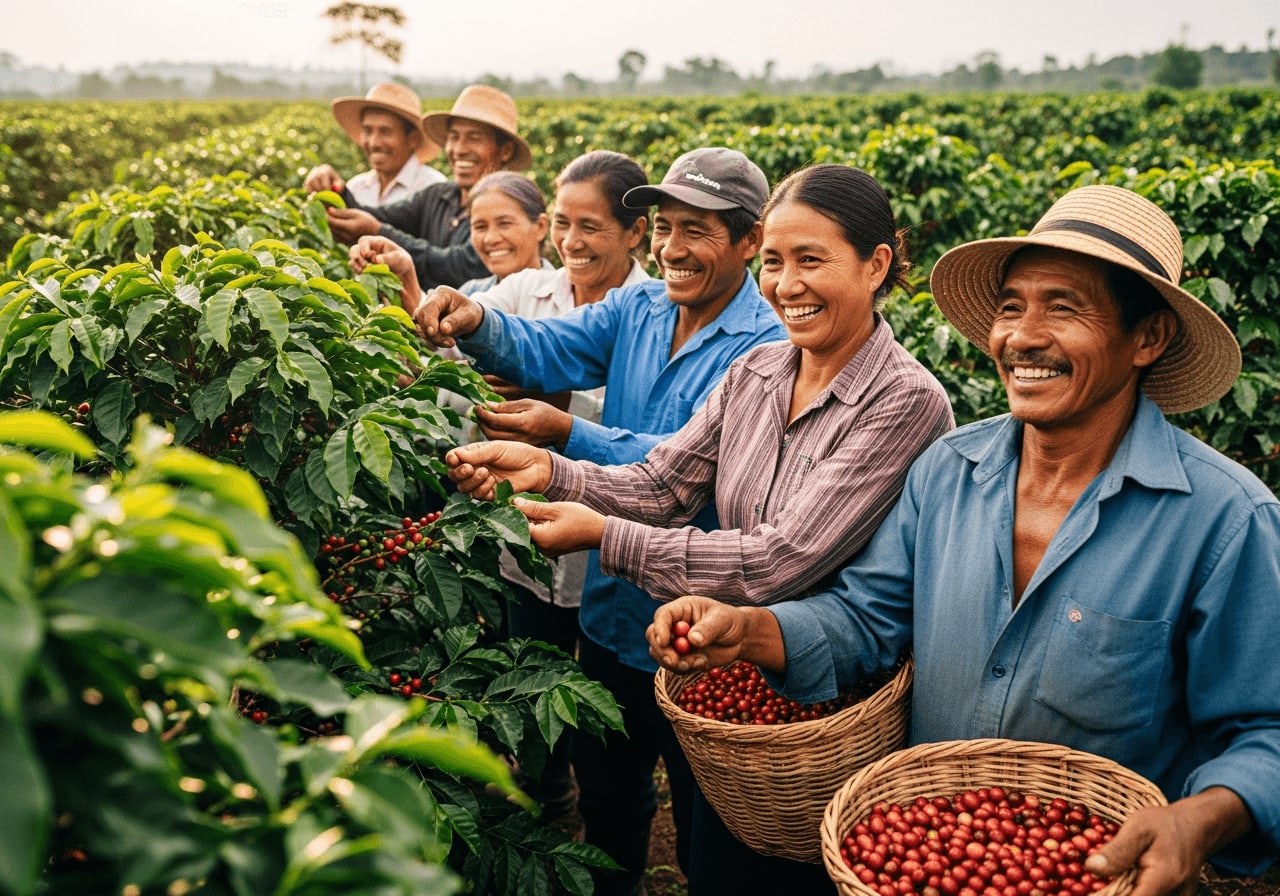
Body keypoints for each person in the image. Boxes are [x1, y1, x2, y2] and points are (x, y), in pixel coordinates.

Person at [647, 185, 1280, 894]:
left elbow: (1267, 731)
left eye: (1064, 308)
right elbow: (866, 618)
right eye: (1012, 307)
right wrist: (751, 629)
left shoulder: (1224, 521)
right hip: (939, 856)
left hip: (1098, 873)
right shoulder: (948, 474)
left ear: (1148, 338)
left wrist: (1199, 819)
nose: (1022, 337)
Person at [445, 164, 956, 893]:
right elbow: (662, 484)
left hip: (827, 706)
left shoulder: (904, 400)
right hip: (726, 684)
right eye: (777, 262)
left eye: (811, 260)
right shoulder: (759, 370)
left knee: (790, 874)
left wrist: (601, 534)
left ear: (876, 266)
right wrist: (548, 470)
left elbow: (781, 560)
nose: (786, 284)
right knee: (715, 865)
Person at [414, 147, 788, 896]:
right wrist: (479, 318)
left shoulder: (768, 344)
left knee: (703, 818)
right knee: (611, 789)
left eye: (701, 231)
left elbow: (689, 461)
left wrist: (567, 434)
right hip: (614, 603)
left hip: (699, 618)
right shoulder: (639, 307)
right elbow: (553, 347)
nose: (673, 248)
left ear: (750, 242)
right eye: (666, 226)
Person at [316, 84, 534, 292]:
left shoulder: (511, 210)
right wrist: (335, 190)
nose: (459, 149)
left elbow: (459, 266)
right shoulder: (438, 195)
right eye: (454, 137)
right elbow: (379, 216)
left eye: (474, 138)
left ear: (504, 151)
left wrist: (377, 232)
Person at [304, 81, 445, 208]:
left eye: (386, 132)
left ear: (412, 139)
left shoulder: (433, 189)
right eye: (367, 130)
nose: (374, 143)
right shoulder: (357, 188)